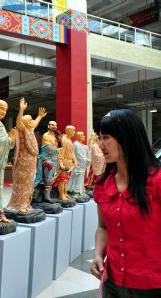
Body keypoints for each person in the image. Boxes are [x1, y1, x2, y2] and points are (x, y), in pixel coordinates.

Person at [90, 109, 161, 297]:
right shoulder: (102, 184)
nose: (100, 144)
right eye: (99, 137)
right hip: (113, 283)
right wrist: (98, 254)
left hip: (152, 285)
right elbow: (103, 228)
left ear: (127, 137)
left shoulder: (156, 181)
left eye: (106, 137)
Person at [6, 98, 46, 212]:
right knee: (21, 184)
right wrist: (21, 110)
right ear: (26, 123)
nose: (32, 121)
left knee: (29, 183)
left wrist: (40, 116)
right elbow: (19, 122)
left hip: (32, 160)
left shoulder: (31, 129)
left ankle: (26, 203)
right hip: (23, 162)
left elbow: (35, 123)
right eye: (31, 120)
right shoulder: (23, 129)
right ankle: (18, 205)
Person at [33, 120, 62, 202]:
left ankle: (49, 195)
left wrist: (60, 139)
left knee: (52, 178)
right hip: (46, 159)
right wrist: (59, 150)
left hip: (55, 159)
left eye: (55, 125)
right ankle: (45, 196)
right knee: (48, 179)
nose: (54, 126)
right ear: (48, 126)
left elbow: (61, 146)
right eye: (52, 125)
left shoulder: (56, 136)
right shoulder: (46, 135)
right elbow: (47, 148)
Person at [53, 125, 77, 200]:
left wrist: (74, 160)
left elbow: (72, 152)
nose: (74, 132)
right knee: (62, 179)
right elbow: (60, 152)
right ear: (69, 131)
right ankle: (61, 194)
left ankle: (65, 192)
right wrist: (61, 163)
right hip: (64, 162)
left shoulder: (69, 140)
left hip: (69, 162)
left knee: (66, 179)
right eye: (73, 131)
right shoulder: (63, 140)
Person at [67, 131, 89, 197]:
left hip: (81, 165)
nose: (84, 137)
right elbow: (79, 156)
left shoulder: (81, 145)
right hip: (78, 165)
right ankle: (74, 191)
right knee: (77, 178)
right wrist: (87, 160)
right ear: (79, 137)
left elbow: (85, 148)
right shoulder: (76, 144)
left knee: (80, 178)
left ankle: (80, 191)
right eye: (82, 135)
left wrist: (90, 143)